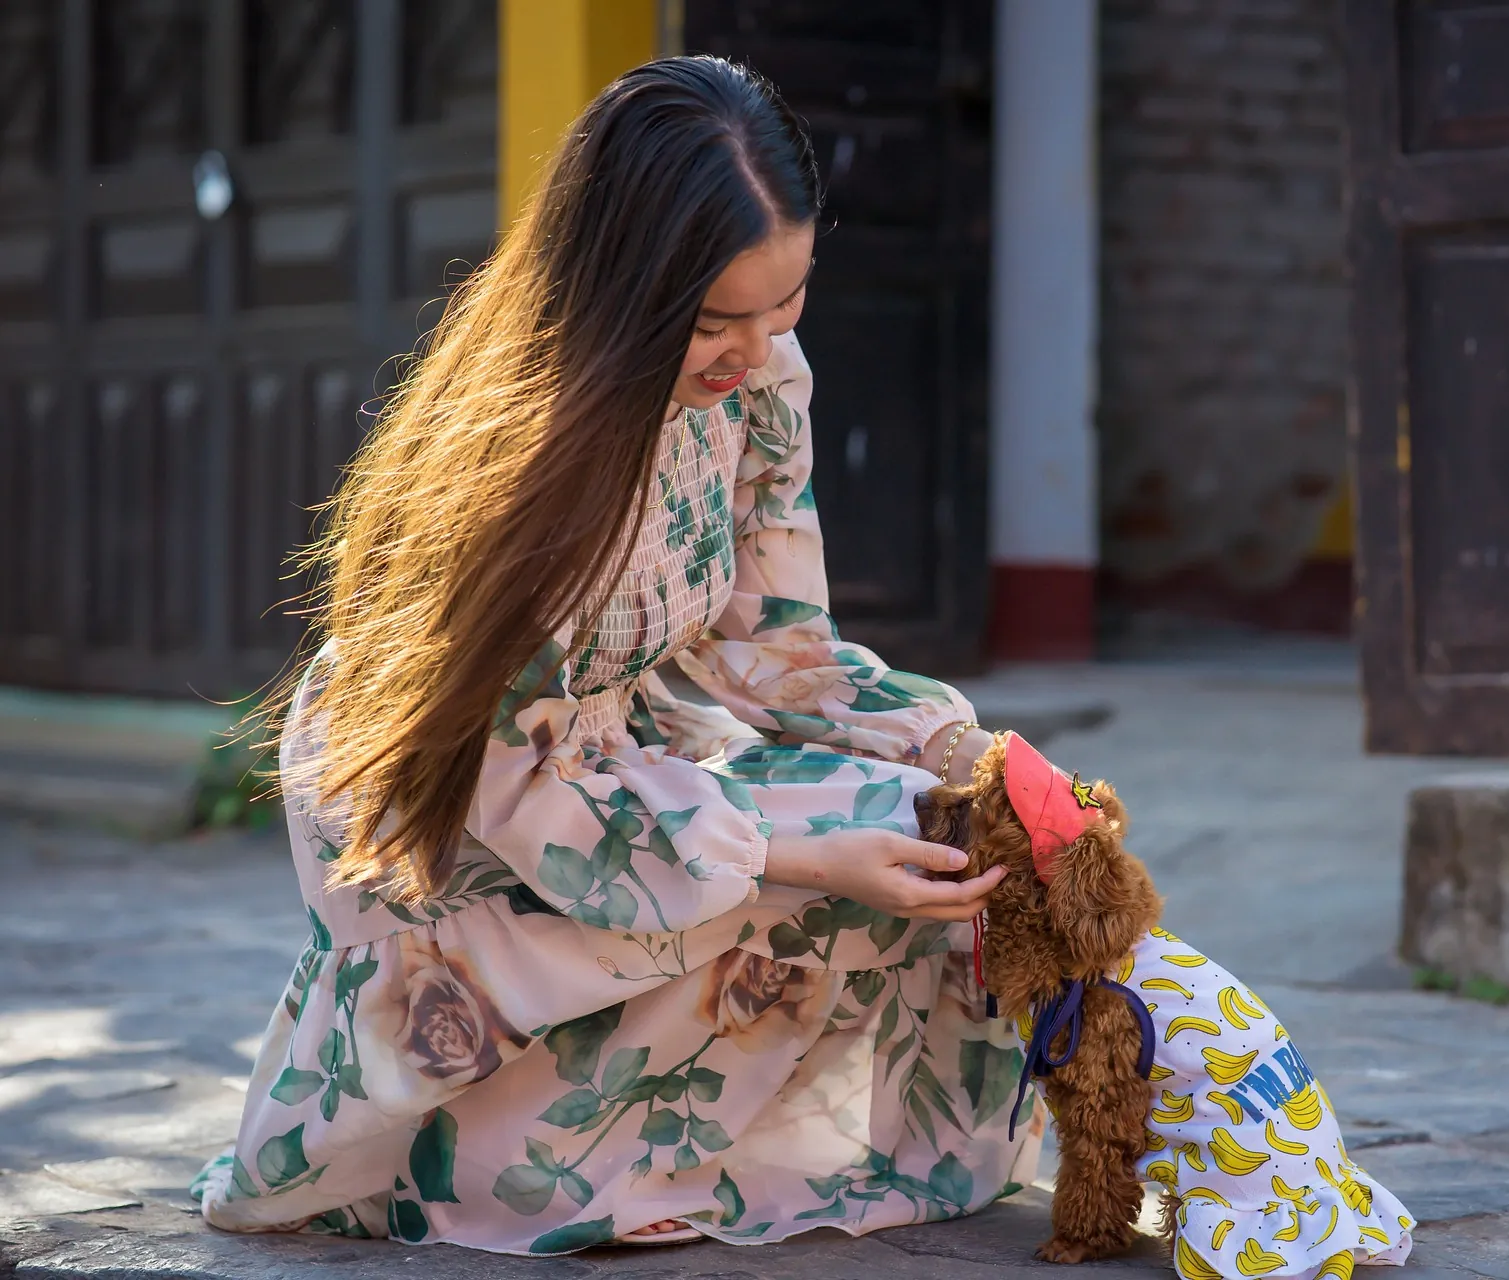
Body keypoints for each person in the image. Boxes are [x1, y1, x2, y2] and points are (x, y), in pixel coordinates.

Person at [192, 55, 1032, 1255]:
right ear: (619, 294)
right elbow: (507, 779)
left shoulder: (755, 385)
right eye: (712, 322)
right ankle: (464, 1149)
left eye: (784, 306)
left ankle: (665, 1138)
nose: (754, 352)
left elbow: (773, 647)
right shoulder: (520, 464)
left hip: (633, 756)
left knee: (921, 818)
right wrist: (799, 855)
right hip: (477, 808)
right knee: (787, 873)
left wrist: (962, 748)